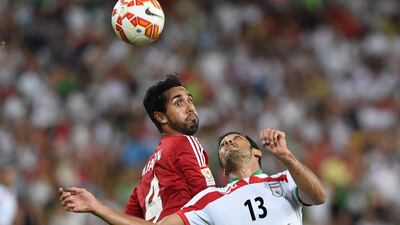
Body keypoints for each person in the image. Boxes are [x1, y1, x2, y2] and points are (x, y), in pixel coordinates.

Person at [59, 128, 326, 225]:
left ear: (257, 152)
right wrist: (97, 207)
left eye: (235, 139)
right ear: (221, 169)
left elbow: (318, 195)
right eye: (222, 144)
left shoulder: (283, 180)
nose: (228, 143)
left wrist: (287, 156)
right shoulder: (209, 199)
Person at [124, 75, 215, 222]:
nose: (190, 107)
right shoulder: (184, 142)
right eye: (179, 103)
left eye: (189, 100)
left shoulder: (147, 170)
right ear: (161, 117)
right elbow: (208, 199)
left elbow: (128, 219)